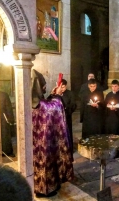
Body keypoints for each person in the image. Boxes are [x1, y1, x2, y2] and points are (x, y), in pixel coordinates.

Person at [31, 69, 74, 197]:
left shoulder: (35, 99)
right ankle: (44, 190)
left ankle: (41, 187)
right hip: (44, 144)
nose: (45, 87)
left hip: (37, 143)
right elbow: (53, 107)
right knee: (45, 164)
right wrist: (58, 95)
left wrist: (52, 95)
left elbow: (47, 103)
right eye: (43, 85)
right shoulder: (40, 104)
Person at [52, 79, 77, 152]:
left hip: (66, 116)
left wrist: (65, 108)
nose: (62, 89)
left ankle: (69, 149)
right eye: (61, 87)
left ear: (66, 86)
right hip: (57, 119)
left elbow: (73, 105)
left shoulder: (70, 94)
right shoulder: (55, 95)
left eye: (63, 87)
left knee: (68, 132)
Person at [0, 91, 15, 157]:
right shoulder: (3, 95)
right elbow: (8, 108)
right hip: (3, 118)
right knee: (5, 135)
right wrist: (11, 120)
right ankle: (7, 151)